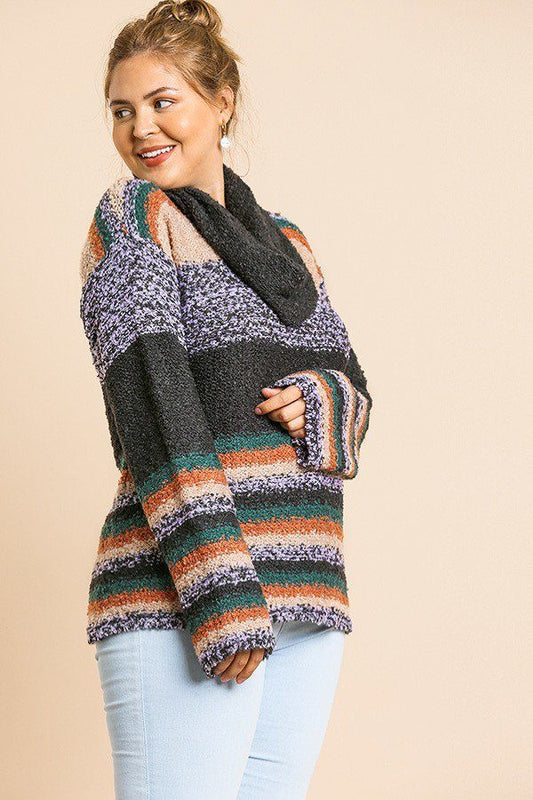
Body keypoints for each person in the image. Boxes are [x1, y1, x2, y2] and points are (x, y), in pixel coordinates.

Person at [79, 2, 373, 797]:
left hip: (305, 584)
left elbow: (350, 383)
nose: (140, 128)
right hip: (187, 593)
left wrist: (326, 398)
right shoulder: (132, 219)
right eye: (122, 110)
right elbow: (152, 406)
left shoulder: (288, 242)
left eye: (162, 101)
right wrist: (217, 587)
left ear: (221, 102)